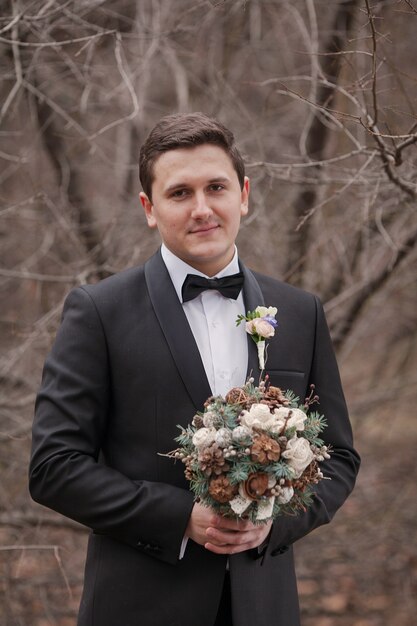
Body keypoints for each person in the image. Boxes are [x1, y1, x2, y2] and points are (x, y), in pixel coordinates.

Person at [29, 112, 360, 626]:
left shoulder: (299, 311)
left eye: (216, 187)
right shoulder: (99, 312)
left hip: (263, 606)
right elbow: (54, 466)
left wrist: (275, 524)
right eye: (180, 193)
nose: (202, 209)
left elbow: (338, 456)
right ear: (150, 208)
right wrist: (181, 517)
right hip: (140, 605)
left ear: (244, 195)